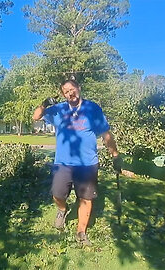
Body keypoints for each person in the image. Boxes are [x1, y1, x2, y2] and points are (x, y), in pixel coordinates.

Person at [32, 79, 122, 246]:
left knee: (86, 198)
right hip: (63, 163)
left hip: (87, 164)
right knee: (57, 194)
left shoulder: (92, 108)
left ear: (78, 88)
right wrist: (44, 104)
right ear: (63, 95)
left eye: (72, 89)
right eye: (66, 91)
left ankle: (81, 231)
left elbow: (106, 134)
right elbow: (36, 116)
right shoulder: (58, 110)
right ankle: (62, 210)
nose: (70, 93)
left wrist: (115, 154)